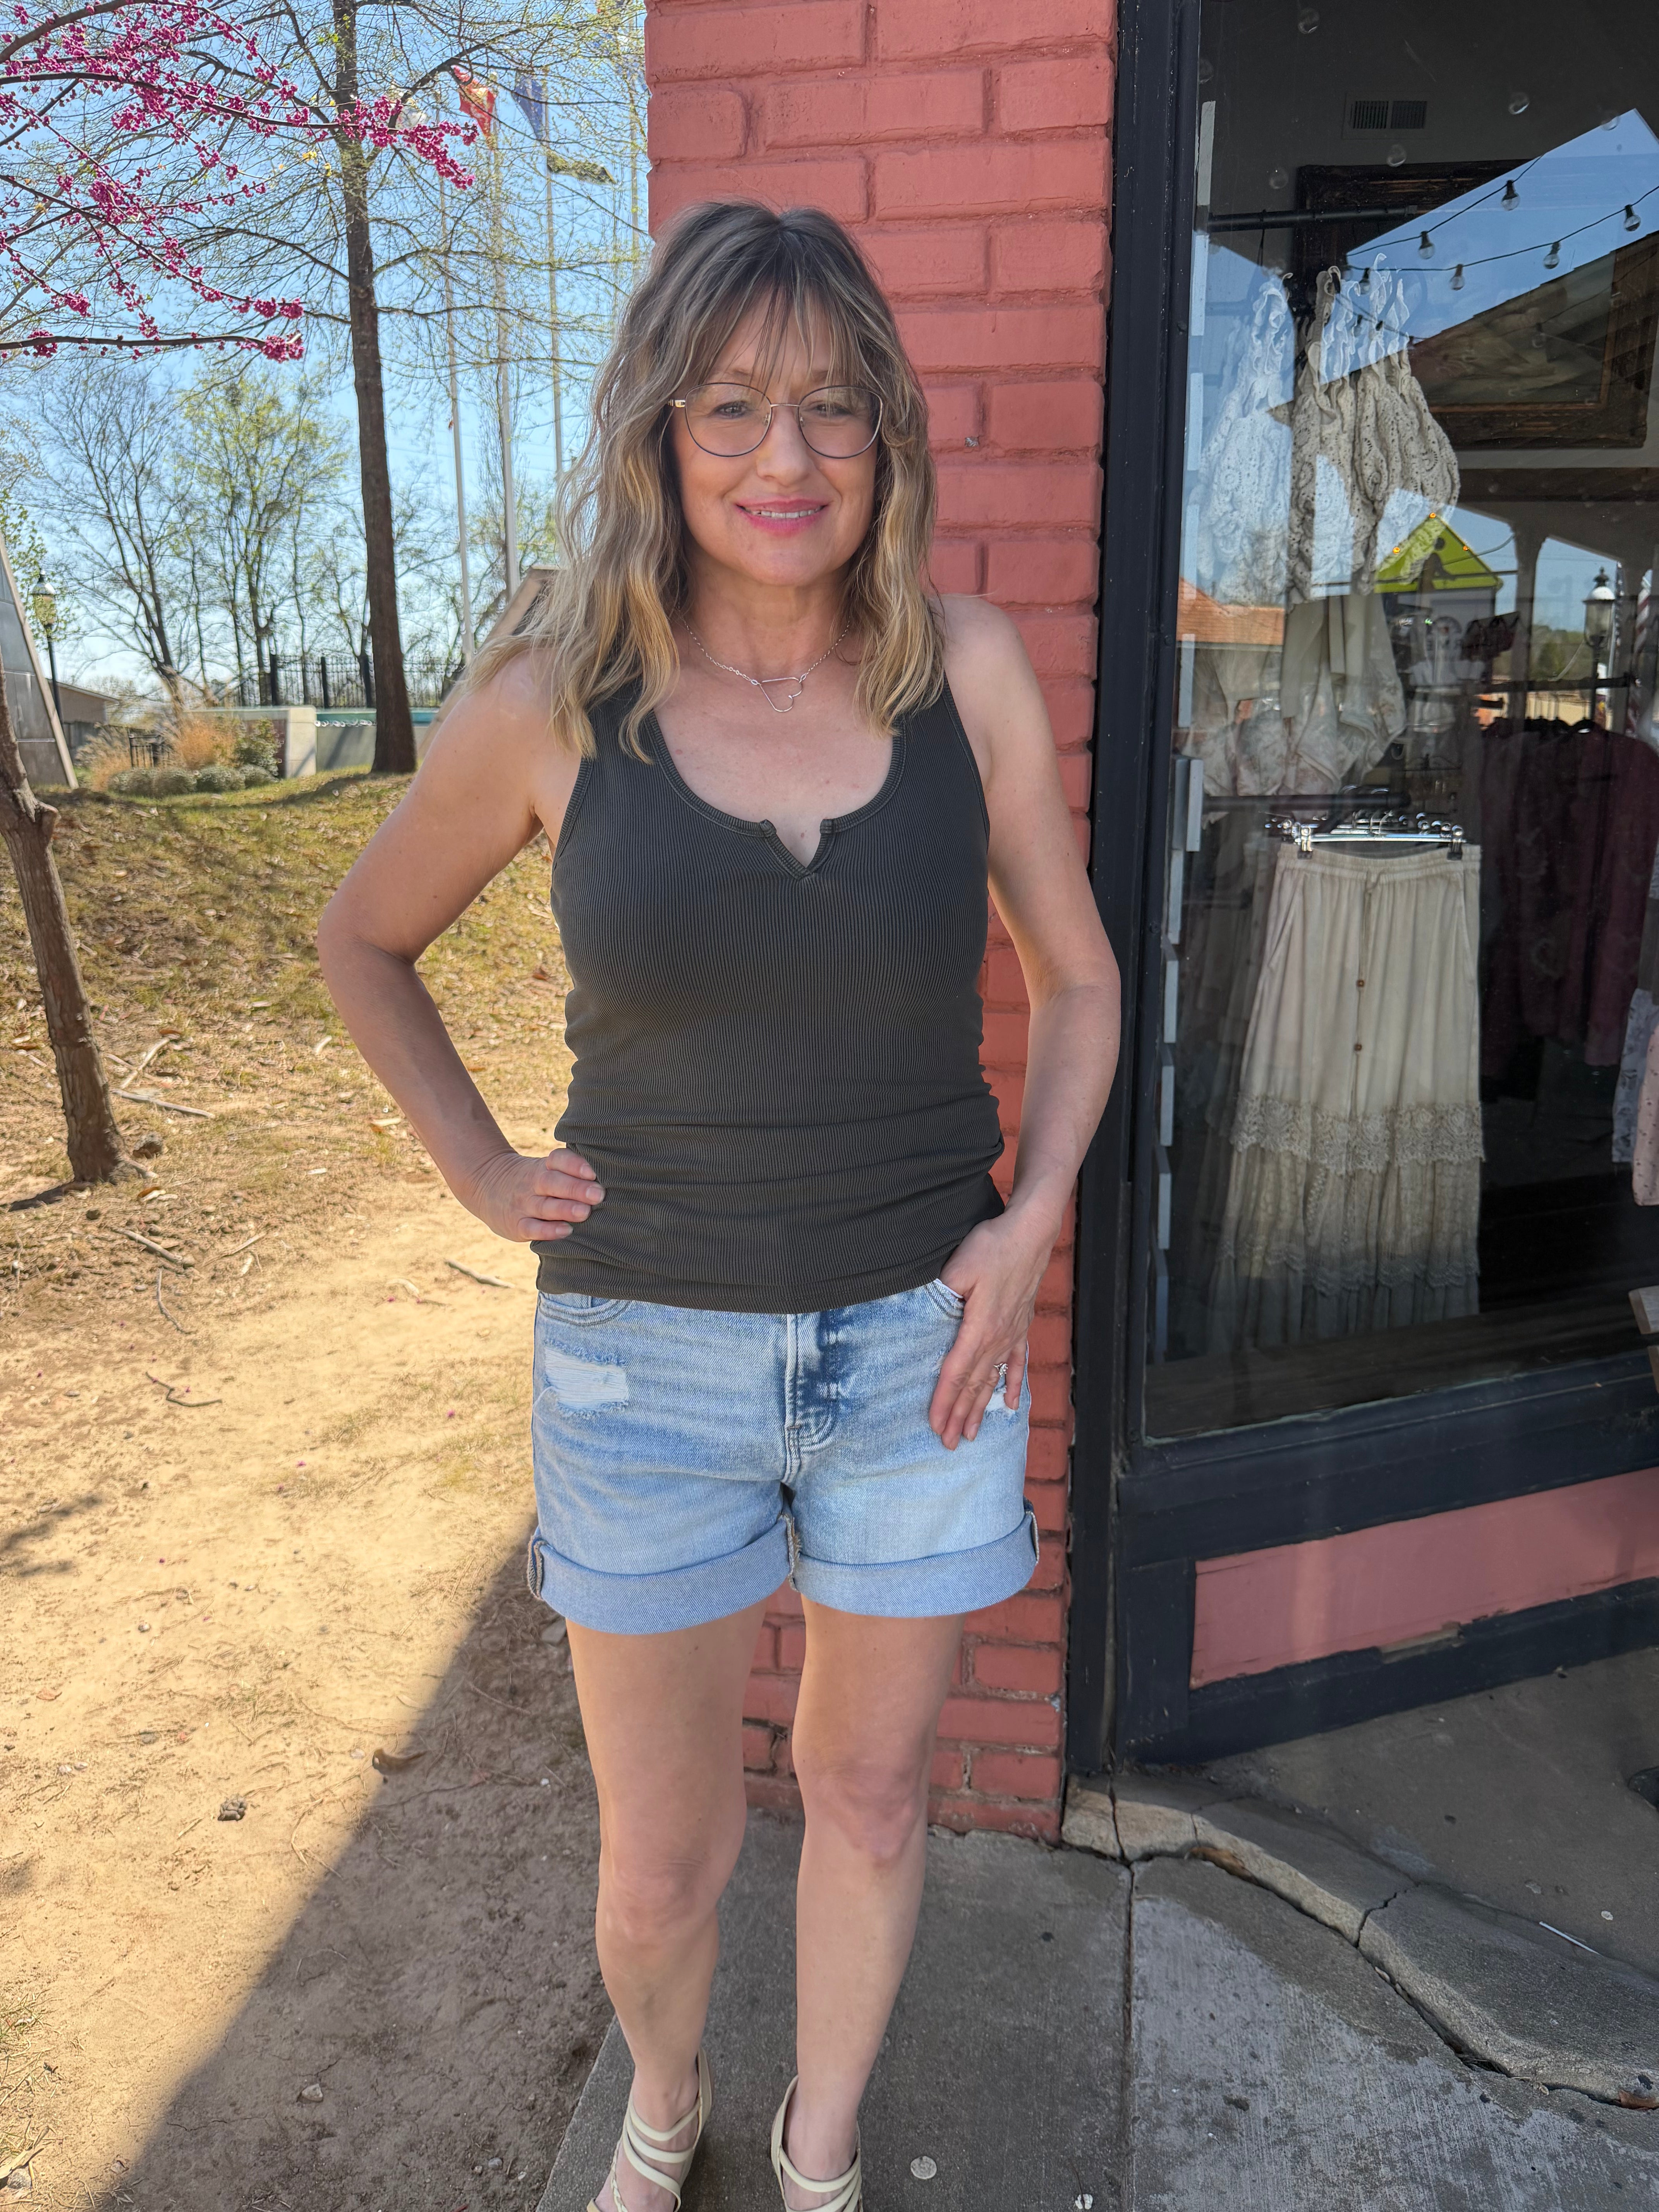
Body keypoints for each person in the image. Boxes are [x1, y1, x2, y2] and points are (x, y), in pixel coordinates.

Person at [318, 199, 1119, 2212]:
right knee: (665, 1860)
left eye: (835, 408)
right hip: (641, 1360)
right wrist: (483, 1170)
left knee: (869, 1792)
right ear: (660, 430)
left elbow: (1082, 980)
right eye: (734, 405)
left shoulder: (968, 677)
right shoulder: (553, 697)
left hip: (918, 1354)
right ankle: (664, 2111)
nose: (787, 456)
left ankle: (817, 2144)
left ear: (889, 438)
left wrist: (1031, 1220)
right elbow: (363, 940)